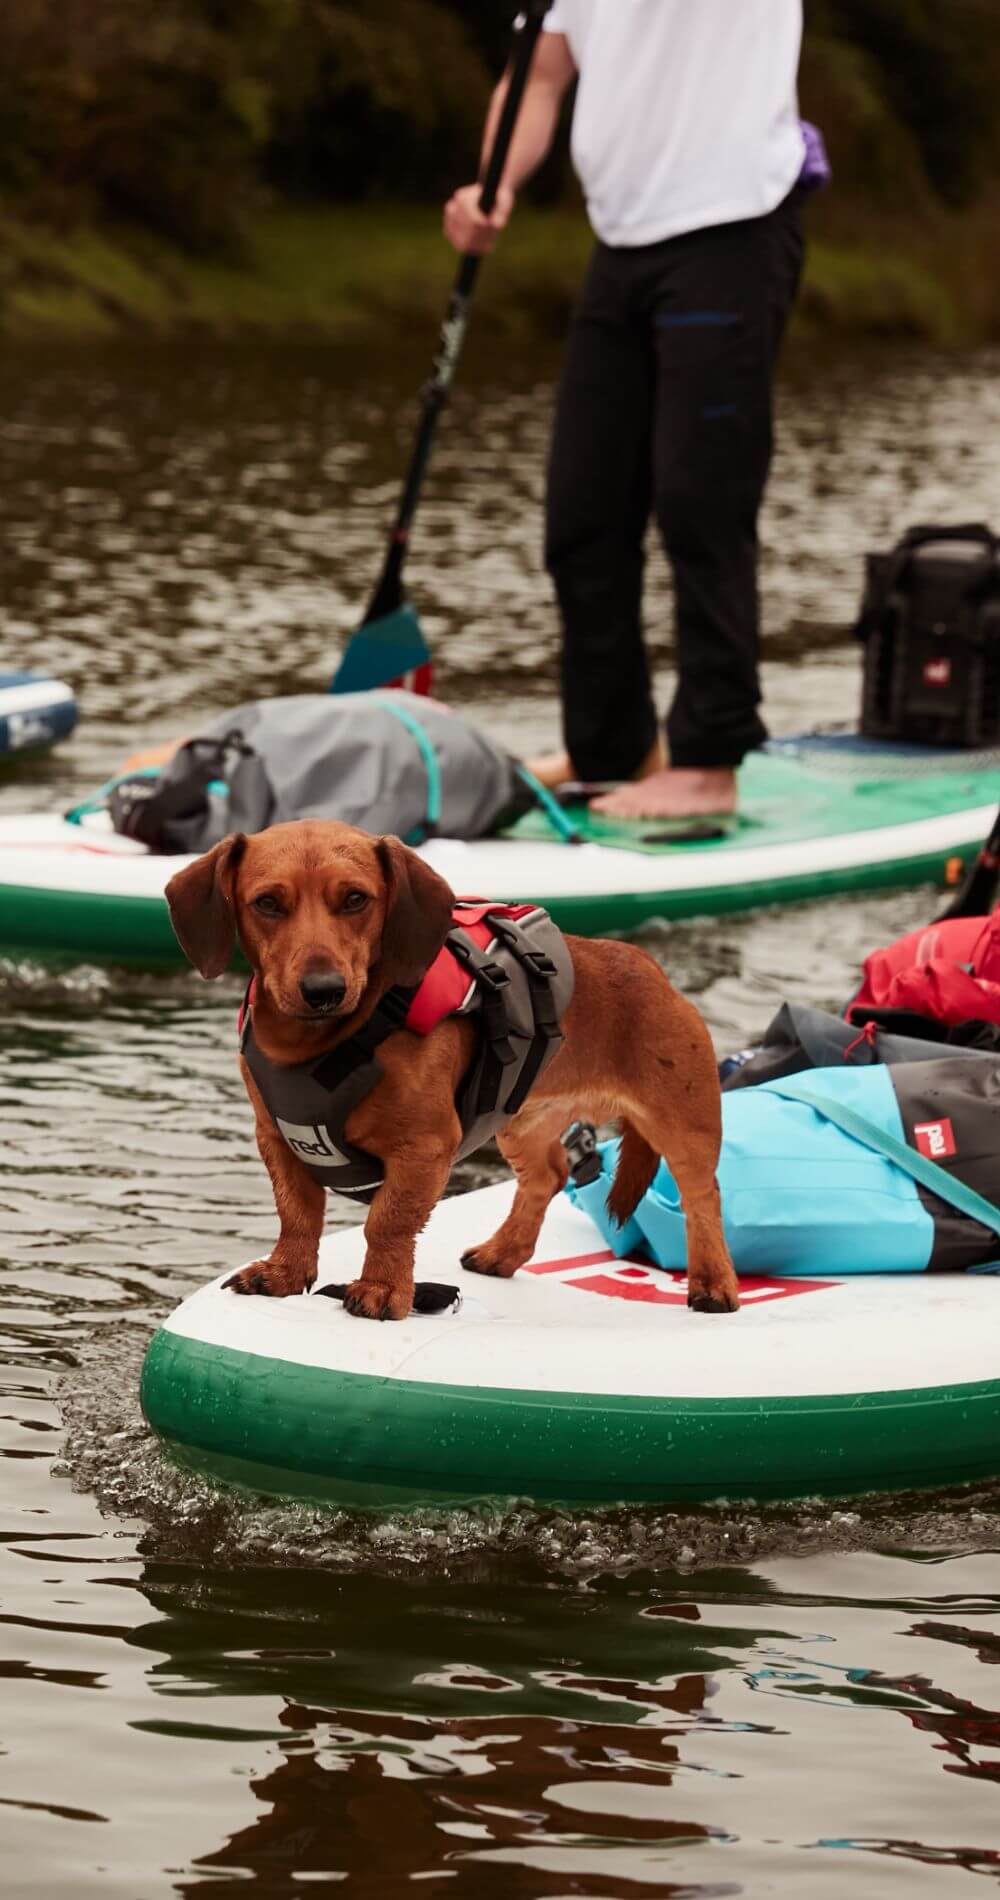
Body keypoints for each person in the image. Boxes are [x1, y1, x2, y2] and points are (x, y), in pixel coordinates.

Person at [444, 0, 812, 818]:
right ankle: (612, 747)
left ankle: (710, 761)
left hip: (733, 228)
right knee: (583, 514)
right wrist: (494, 184)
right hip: (621, 244)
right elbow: (537, 76)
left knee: (700, 504)